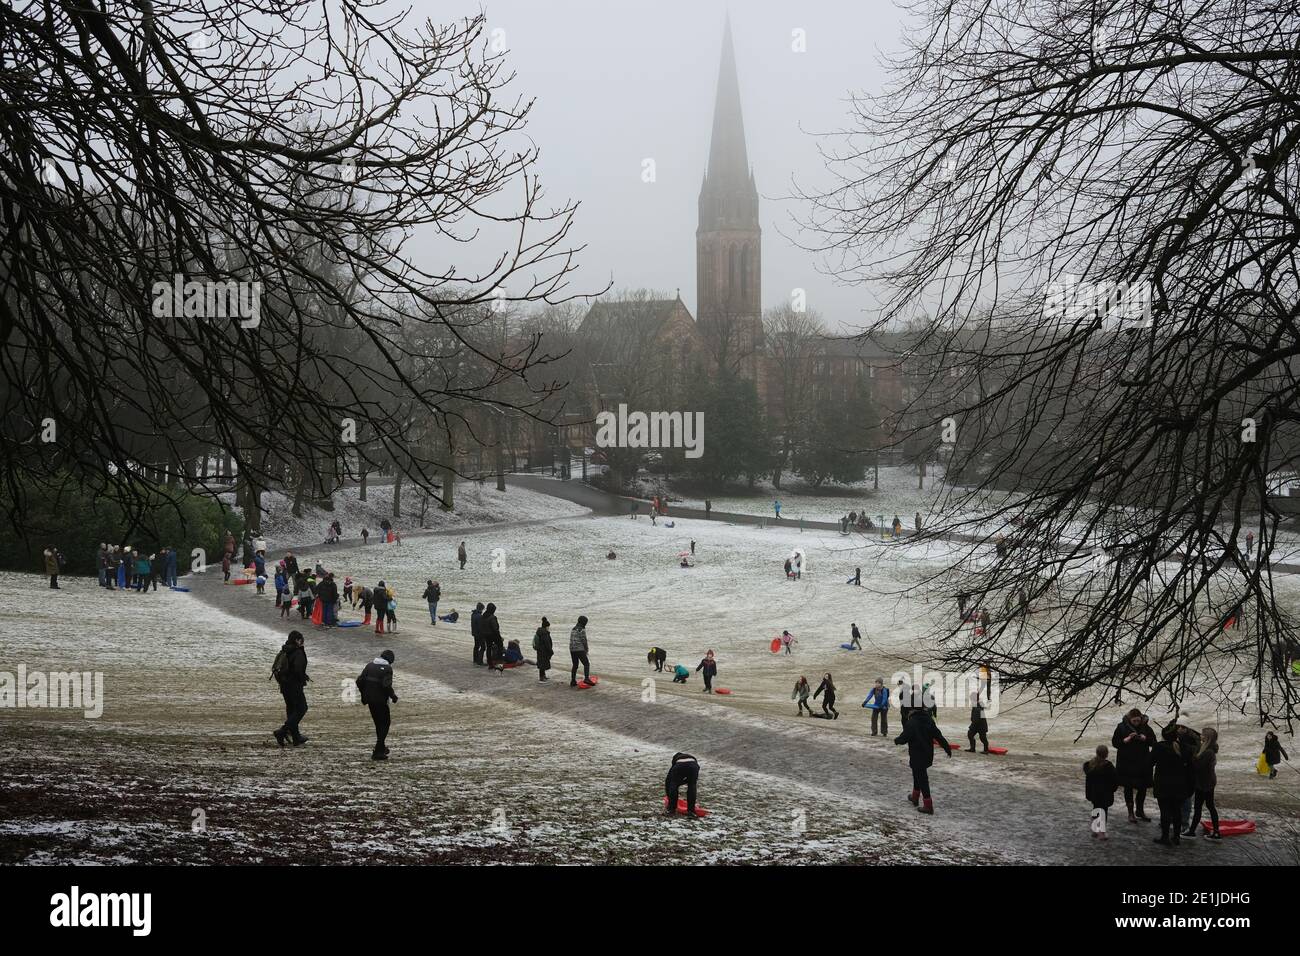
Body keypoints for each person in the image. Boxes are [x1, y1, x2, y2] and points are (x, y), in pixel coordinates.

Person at [896, 708, 952, 814]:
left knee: (921, 777)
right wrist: (946, 747)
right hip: (927, 754)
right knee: (917, 773)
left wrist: (897, 740)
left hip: (917, 754)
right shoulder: (928, 720)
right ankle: (915, 796)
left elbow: (904, 738)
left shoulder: (911, 722)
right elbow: (938, 736)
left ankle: (928, 805)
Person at [1112, 709, 1156, 822]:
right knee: (1128, 787)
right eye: (1134, 720)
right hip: (1126, 763)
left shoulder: (1146, 728)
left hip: (1143, 763)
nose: (1136, 722)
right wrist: (1126, 740)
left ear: (1141, 718)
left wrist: (1144, 738)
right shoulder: (1121, 727)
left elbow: (1154, 742)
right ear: (1130, 719)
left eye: (1138, 720)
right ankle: (1130, 812)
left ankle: (1140, 811)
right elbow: (1115, 743)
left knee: (1143, 787)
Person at [356, 650, 398, 760]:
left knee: (378, 723)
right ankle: (378, 751)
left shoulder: (370, 665)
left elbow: (359, 681)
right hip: (381, 701)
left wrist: (364, 694)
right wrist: (393, 696)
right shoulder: (388, 669)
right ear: (390, 660)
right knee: (385, 723)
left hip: (370, 700)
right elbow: (386, 685)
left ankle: (381, 747)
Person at [1151, 725, 1188, 846]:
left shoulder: (1159, 747)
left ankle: (1165, 837)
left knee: (1165, 811)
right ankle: (1176, 837)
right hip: (1180, 784)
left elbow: (1150, 762)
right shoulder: (1182, 746)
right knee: (1177, 810)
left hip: (1163, 784)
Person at [272, 630, 310, 747]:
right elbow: (298, 670)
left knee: (291, 710)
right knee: (301, 708)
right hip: (294, 686)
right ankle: (282, 731)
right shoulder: (298, 652)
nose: (302, 642)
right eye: (301, 640)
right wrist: (303, 677)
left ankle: (296, 737)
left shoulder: (284, 650)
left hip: (284, 685)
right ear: (297, 640)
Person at [1186, 727, 1220, 839]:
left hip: (1205, 783)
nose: (1201, 735)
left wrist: (1193, 755)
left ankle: (1195, 832)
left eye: (1202, 734)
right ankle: (1213, 832)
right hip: (1206, 782)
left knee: (1203, 807)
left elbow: (1198, 766)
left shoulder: (1208, 752)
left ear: (1207, 738)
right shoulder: (1207, 748)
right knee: (1207, 807)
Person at [1084, 744, 1119, 839]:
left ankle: (1095, 830)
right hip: (1105, 794)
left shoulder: (1090, 765)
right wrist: (1113, 789)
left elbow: (1088, 781)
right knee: (1103, 812)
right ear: (1106, 754)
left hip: (1094, 793)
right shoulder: (1109, 767)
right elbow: (1114, 780)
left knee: (1096, 809)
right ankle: (1101, 833)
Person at [664, 752, 700, 817]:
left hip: (680, 766)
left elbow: (668, 780)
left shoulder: (676, 761)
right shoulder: (691, 757)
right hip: (694, 765)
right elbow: (694, 770)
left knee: (673, 784)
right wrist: (687, 781)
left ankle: (671, 810)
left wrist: (668, 795)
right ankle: (691, 811)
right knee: (692, 785)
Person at [569, 615, 591, 686]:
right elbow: (584, 641)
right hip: (579, 649)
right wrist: (586, 649)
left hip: (572, 649)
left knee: (575, 665)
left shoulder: (573, 629)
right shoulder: (582, 630)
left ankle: (573, 681)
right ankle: (586, 679)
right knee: (586, 664)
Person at [482, 602, 503, 670]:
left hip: (486, 635)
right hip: (493, 635)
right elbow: (495, 628)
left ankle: (490, 664)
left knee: (489, 648)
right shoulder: (492, 617)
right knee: (500, 646)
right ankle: (499, 662)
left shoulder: (483, 616)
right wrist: (499, 636)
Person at [533, 617, 553, 682]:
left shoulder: (540, 631)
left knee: (541, 664)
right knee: (542, 664)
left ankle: (543, 676)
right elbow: (547, 643)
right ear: (546, 626)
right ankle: (542, 678)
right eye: (548, 627)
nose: (549, 628)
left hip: (540, 650)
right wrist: (550, 651)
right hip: (544, 651)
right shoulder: (544, 633)